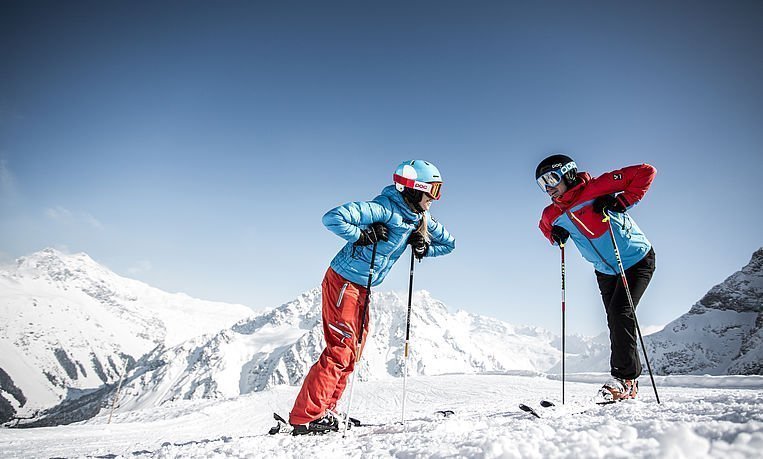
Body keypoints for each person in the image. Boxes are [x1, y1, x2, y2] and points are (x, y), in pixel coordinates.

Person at [289, 159, 456, 435]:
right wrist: (362, 235)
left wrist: (424, 247)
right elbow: (332, 217)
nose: (435, 198)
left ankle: (326, 411)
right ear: (416, 189)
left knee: (352, 353)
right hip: (343, 281)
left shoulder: (420, 218)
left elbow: (449, 244)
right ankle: (305, 417)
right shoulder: (383, 208)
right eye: (433, 191)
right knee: (340, 350)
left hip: (364, 289)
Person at [536, 154, 656, 401]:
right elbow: (545, 226)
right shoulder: (552, 213)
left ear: (568, 174)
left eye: (551, 178)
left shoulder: (597, 187)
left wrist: (622, 201)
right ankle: (629, 382)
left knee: (620, 313)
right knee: (615, 318)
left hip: (635, 260)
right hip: (605, 270)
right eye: (541, 183)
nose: (548, 187)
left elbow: (645, 172)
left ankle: (623, 379)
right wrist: (555, 236)